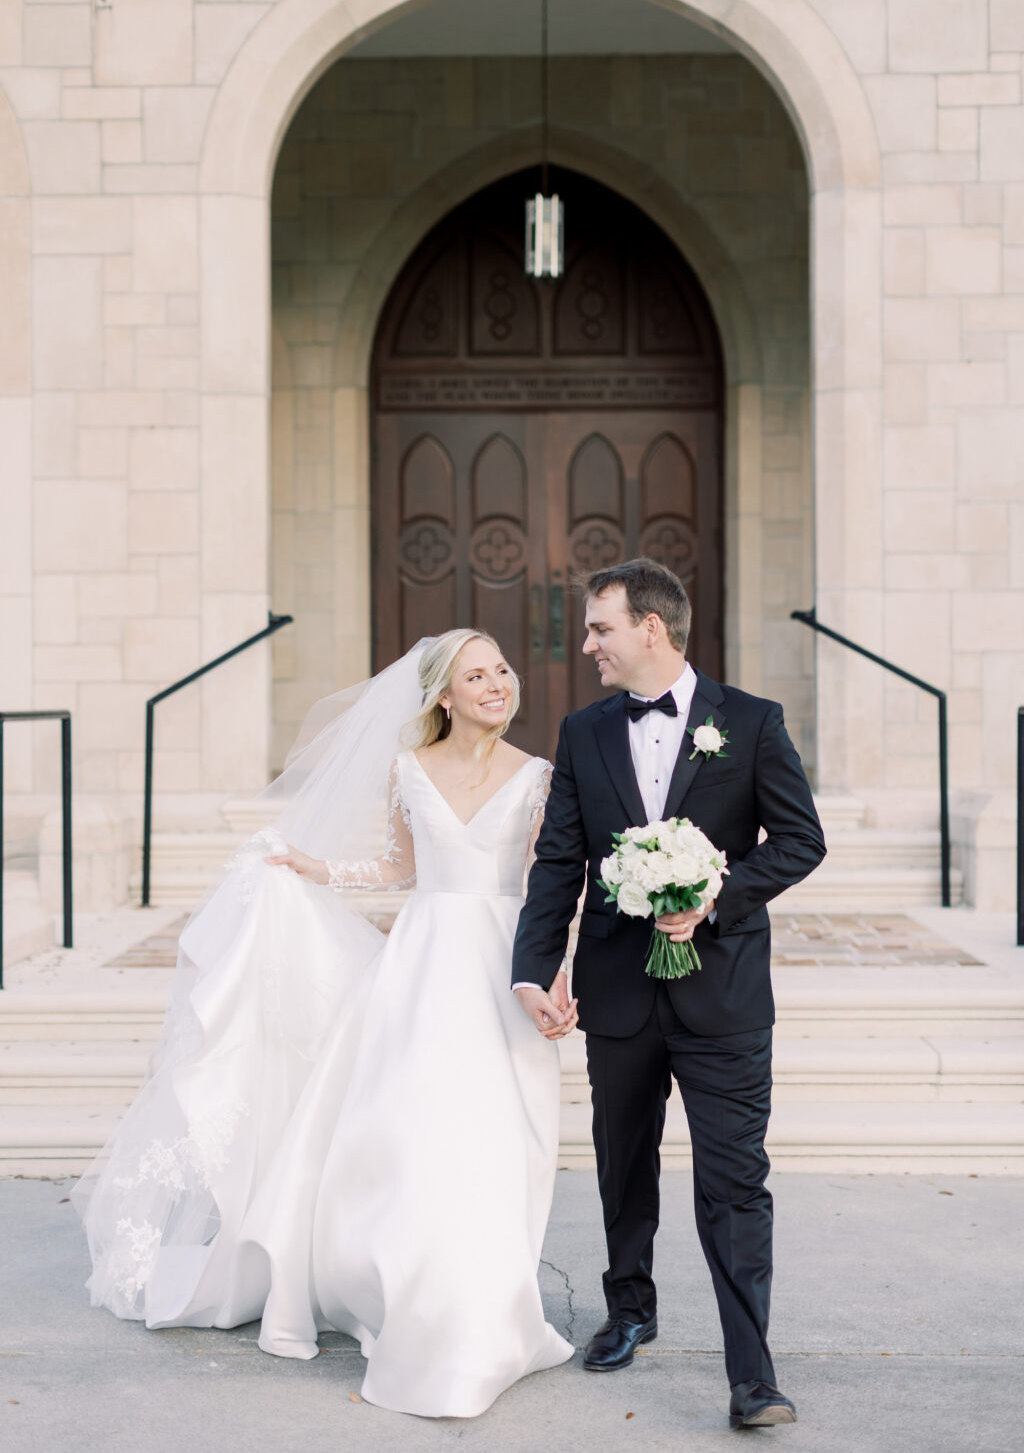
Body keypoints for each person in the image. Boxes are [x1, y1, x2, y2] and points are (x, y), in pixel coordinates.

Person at [74, 630, 576, 1418]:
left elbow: (552, 889)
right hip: (422, 972)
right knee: (417, 1139)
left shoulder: (541, 777)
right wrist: (314, 870)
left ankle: (486, 1308)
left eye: (502, 671)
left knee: (501, 1138)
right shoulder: (407, 770)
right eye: (476, 675)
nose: (497, 685)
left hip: (504, 969)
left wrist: (556, 976)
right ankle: (423, 1305)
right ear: (445, 695)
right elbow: (400, 870)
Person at [511, 558, 826, 1430]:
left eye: (601, 629)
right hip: (616, 989)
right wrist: (532, 971)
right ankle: (629, 1308)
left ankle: (752, 1374)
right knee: (624, 1164)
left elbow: (800, 841)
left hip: (722, 995)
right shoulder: (582, 733)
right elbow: (557, 864)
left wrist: (717, 895)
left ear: (651, 628)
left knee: (734, 1181)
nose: (588, 646)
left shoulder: (752, 723)